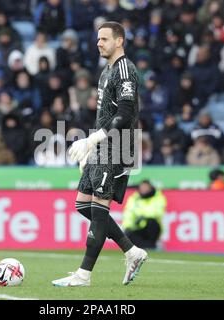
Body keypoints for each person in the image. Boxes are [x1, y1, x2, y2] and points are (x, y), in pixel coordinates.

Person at [52, 22, 148, 287]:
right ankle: (132, 251)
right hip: (103, 145)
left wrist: (94, 138)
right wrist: (93, 144)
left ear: (119, 41)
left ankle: (84, 275)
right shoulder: (106, 71)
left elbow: (125, 113)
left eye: (104, 38)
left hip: (119, 146)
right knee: (83, 204)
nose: (99, 43)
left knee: (98, 207)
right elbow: (106, 113)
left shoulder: (126, 70)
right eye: (98, 39)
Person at [122, 180, 166, 249]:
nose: (143, 189)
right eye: (142, 187)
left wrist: (143, 217)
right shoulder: (134, 198)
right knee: (128, 234)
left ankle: (152, 246)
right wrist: (127, 227)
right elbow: (128, 214)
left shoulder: (158, 197)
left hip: (152, 227)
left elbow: (158, 213)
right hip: (137, 227)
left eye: (145, 187)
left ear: (150, 188)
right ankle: (143, 247)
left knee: (151, 223)